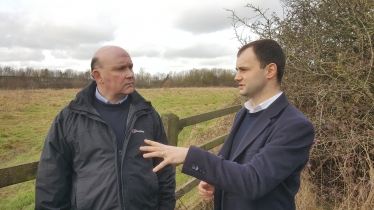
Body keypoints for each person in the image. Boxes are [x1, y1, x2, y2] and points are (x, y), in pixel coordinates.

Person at [140, 39, 315, 209]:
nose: (236, 76)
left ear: (270, 70)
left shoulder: (295, 126)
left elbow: (254, 181)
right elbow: (229, 163)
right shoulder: (244, 113)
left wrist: (189, 156)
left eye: (244, 69)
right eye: (237, 69)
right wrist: (214, 180)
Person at [35, 46, 176, 210]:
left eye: (130, 67)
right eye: (120, 69)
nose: (130, 74)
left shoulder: (147, 115)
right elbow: (51, 181)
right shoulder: (70, 118)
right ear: (98, 76)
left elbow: (164, 171)